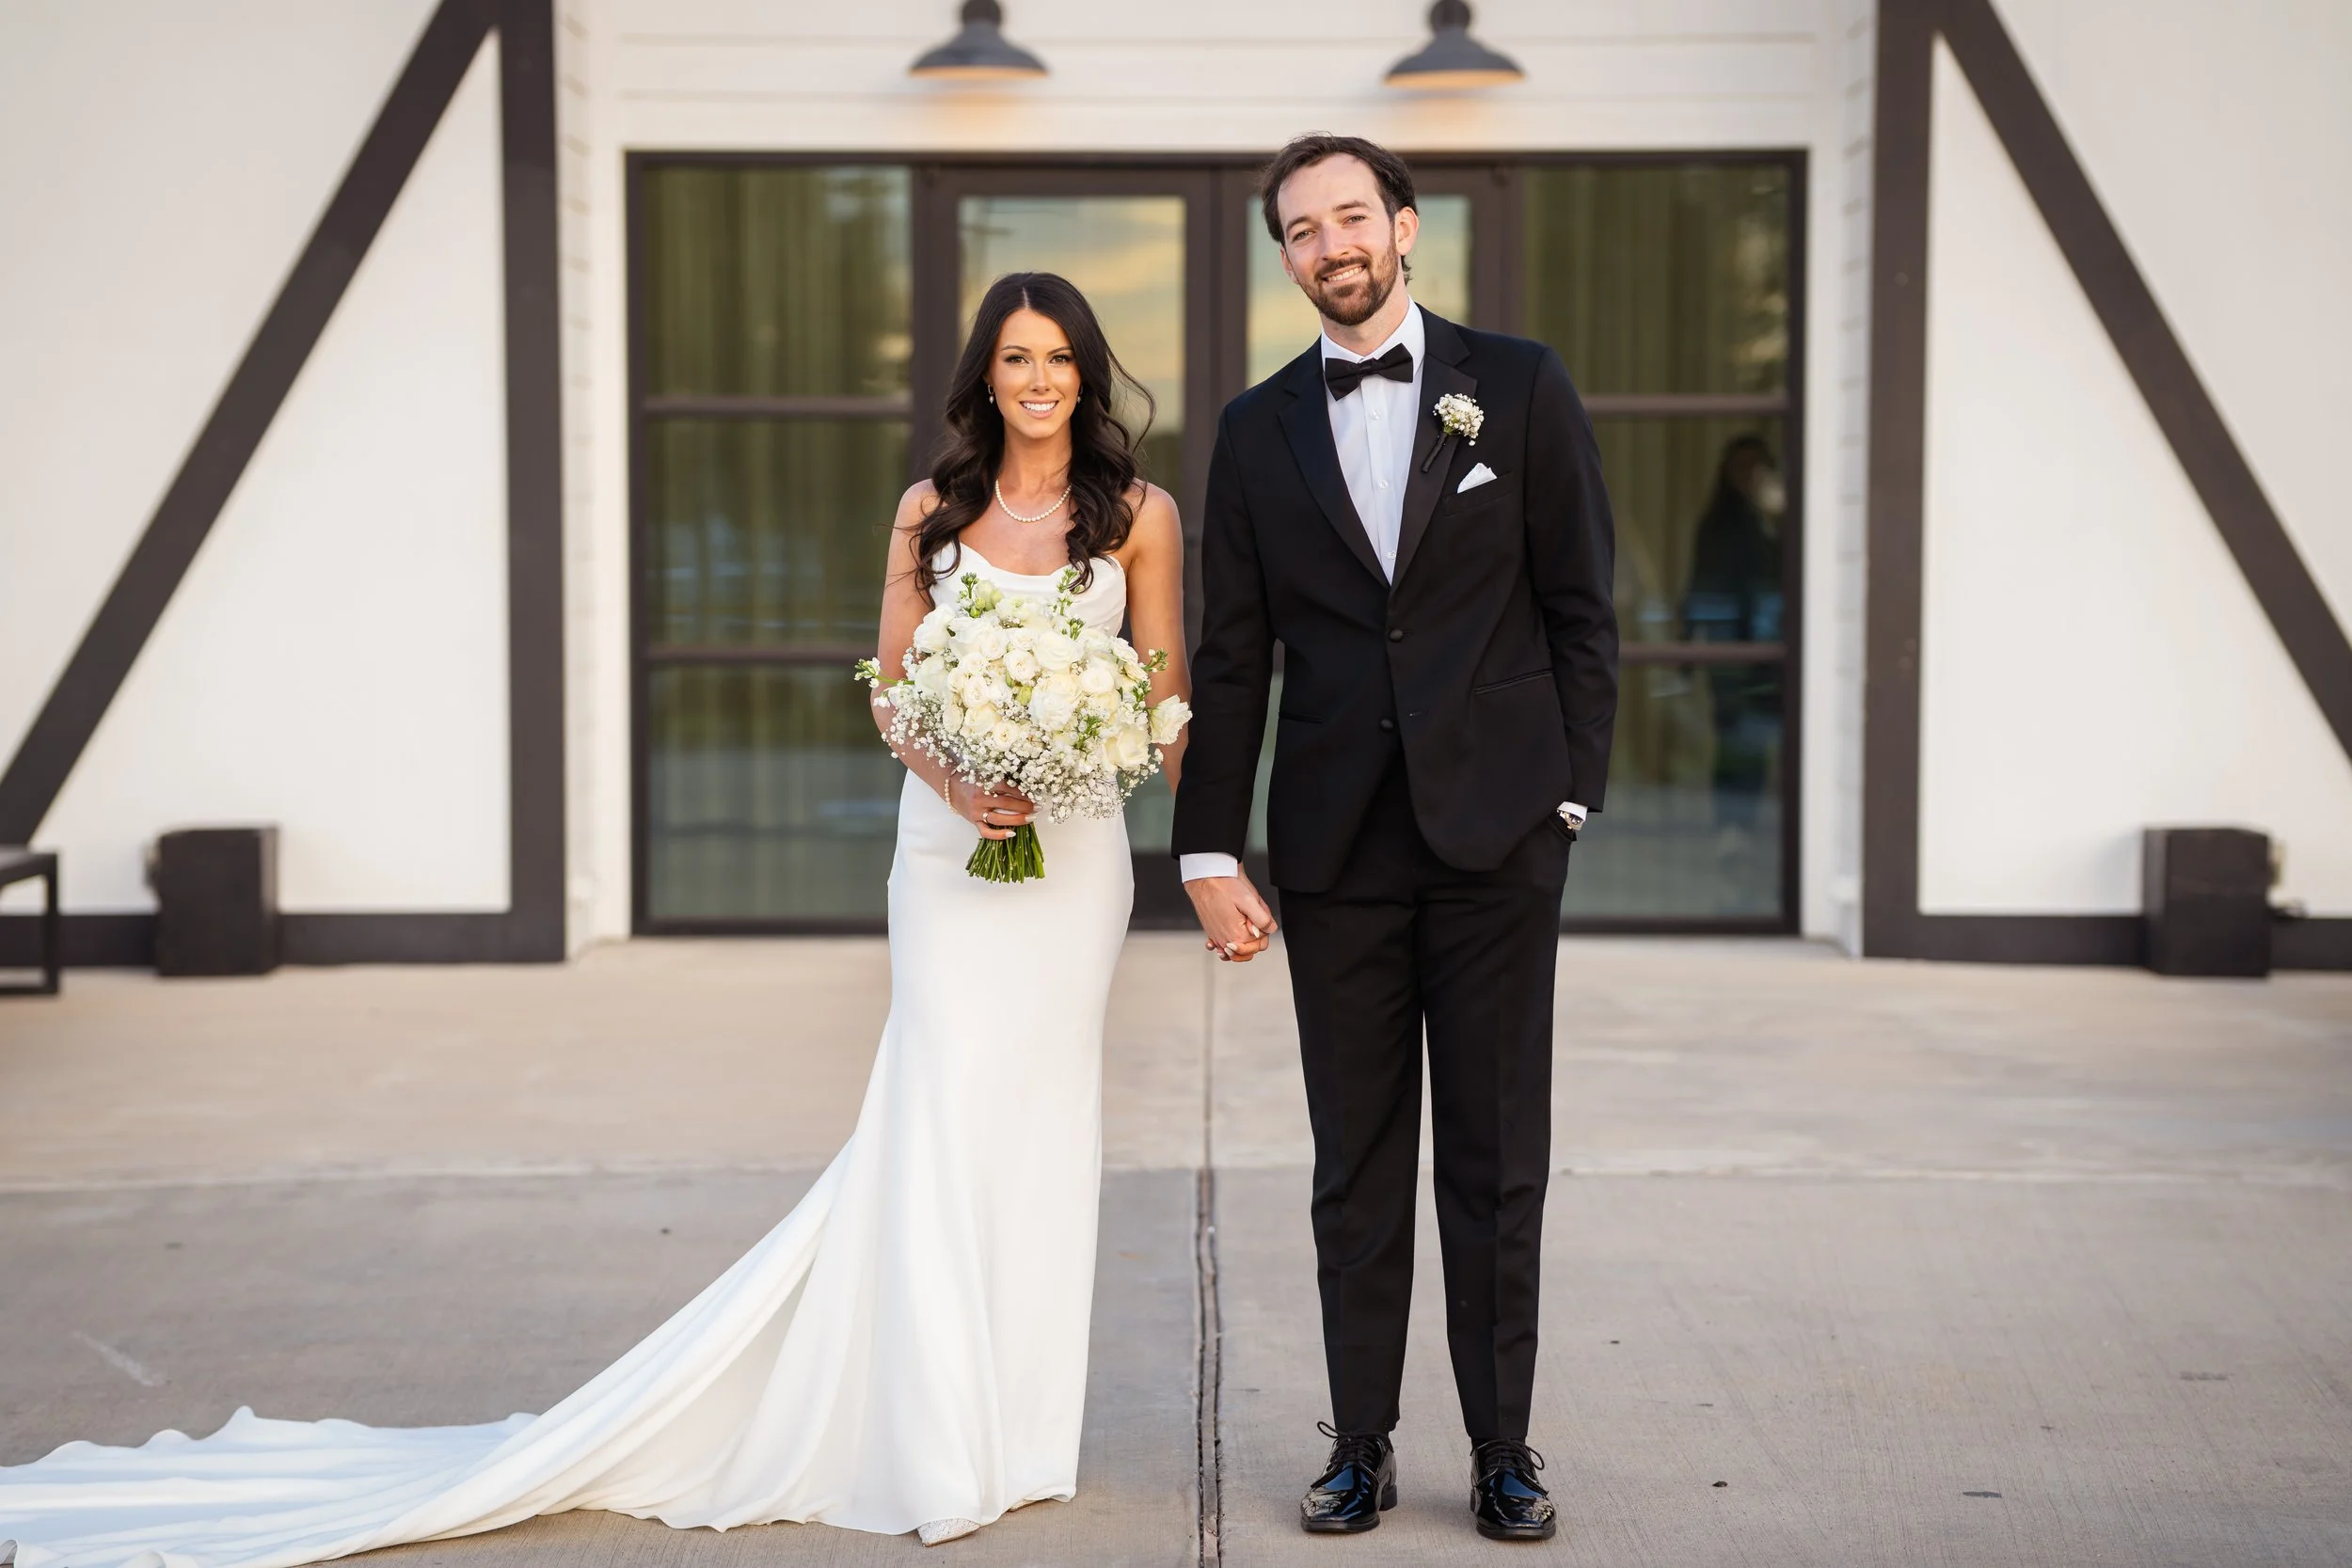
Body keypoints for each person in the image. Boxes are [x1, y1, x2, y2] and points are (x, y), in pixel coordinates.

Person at [0, 272, 1189, 1563]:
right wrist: (961, 775)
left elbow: (1163, 686)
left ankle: (1019, 1431)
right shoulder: (930, 510)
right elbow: (892, 691)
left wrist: (1192, 825)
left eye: (1059, 356)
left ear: (1087, 370)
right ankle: (936, 1431)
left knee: (1041, 1125)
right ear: (985, 372)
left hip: (1071, 863)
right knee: (941, 1111)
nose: (1038, 379)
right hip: (948, 857)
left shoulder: (1138, 517)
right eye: (1016, 356)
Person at [1172, 134, 1617, 1542]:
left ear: (1406, 229)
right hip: (1338, 850)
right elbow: (1232, 659)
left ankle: (1503, 1450)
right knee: (1356, 1163)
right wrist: (1207, 849)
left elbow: (1582, 609)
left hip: (1498, 841)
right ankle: (1357, 1442)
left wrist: (1568, 800)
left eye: (1351, 217)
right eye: (1301, 229)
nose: (1331, 246)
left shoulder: (1523, 387)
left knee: (1495, 1160)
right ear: (1286, 257)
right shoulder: (1252, 432)